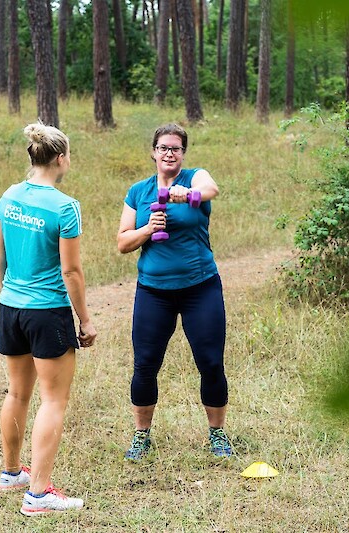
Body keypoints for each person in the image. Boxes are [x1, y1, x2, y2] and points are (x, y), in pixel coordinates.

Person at [0, 122, 97, 516]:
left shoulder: (8, 196)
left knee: (16, 393)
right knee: (53, 400)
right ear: (60, 158)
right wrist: (85, 320)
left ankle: (11, 473)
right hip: (46, 311)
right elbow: (71, 273)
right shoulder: (64, 206)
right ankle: (38, 494)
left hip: (11, 307)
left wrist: (10, 293)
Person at [116, 123, 232, 461]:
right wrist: (148, 229)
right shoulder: (138, 191)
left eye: (176, 149)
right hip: (154, 292)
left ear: (183, 154)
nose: (170, 153)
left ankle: (217, 433)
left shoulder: (194, 177)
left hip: (201, 288)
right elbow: (122, 242)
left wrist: (187, 195)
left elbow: (212, 189)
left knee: (210, 362)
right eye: (164, 147)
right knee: (146, 365)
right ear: (153, 151)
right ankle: (141, 436)